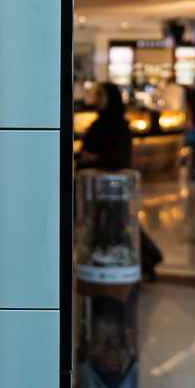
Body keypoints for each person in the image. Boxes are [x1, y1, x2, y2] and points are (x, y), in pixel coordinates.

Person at [78, 82, 164, 281]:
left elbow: (119, 158)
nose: (96, 99)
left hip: (111, 188)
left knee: (119, 228)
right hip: (94, 189)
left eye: (101, 95)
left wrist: (93, 158)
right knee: (112, 228)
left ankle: (148, 259)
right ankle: (146, 259)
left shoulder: (118, 126)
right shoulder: (98, 123)